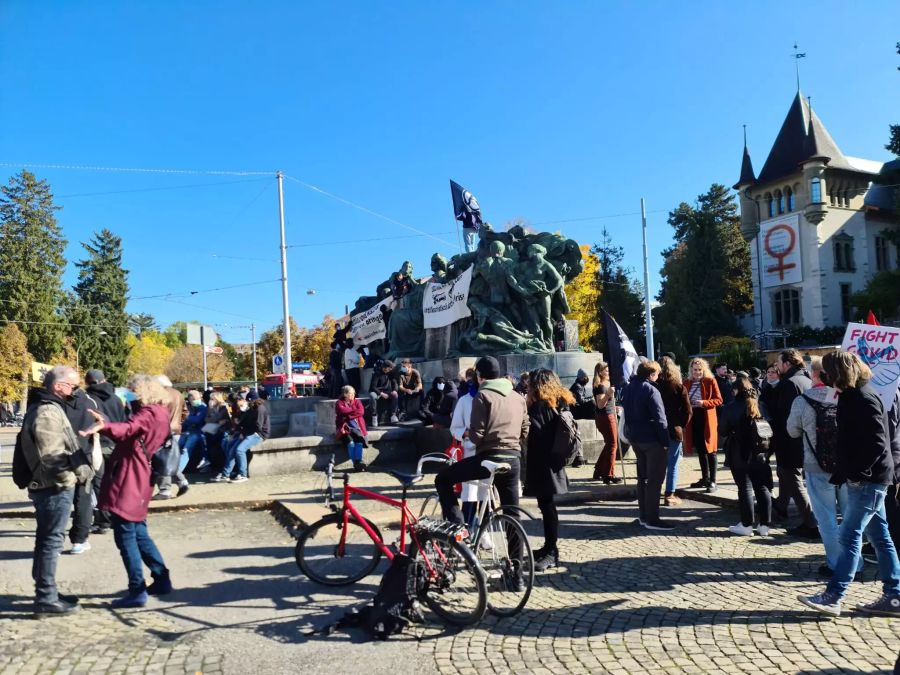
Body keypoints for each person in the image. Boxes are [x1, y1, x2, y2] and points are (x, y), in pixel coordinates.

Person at [798, 351, 900, 618]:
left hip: (868, 480)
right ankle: (894, 595)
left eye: (827, 372)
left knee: (848, 535)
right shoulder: (854, 395)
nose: (823, 377)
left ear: (838, 373)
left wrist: (857, 473)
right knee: (880, 537)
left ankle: (834, 595)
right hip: (869, 478)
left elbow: (878, 443)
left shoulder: (863, 398)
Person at [82, 374, 173, 608]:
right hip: (140, 475)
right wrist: (108, 423)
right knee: (139, 531)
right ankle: (161, 578)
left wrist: (105, 426)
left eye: (132, 390)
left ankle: (137, 589)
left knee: (126, 535)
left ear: (142, 391)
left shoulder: (148, 413)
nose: (129, 394)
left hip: (130, 476)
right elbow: (130, 428)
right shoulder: (160, 412)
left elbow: (129, 428)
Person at [19, 365, 92, 617]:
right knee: (51, 542)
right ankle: (46, 598)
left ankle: (46, 592)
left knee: (46, 541)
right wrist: (68, 479)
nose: (76, 391)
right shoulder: (47, 411)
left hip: (50, 486)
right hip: (53, 488)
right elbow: (51, 456)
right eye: (73, 386)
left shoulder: (48, 407)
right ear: (58, 386)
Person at [435, 356, 528, 536]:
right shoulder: (517, 396)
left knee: (443, 479)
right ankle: (517, 561)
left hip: (488, 458)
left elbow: (477, 435)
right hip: (514, 458)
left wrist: (471, 435)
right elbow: (525, 429)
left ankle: (458, 531)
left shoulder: (482, 395)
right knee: (512, 512)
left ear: (479, 376)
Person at [525, 369, 575, 571]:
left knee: (547, 507)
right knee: (547, 506)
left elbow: (535, 436)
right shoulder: (559, 401)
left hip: (543, 463)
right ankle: (548, 547)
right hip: (553, 461)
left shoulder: (539, 407)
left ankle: (551, 550)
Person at [720, 373, 773, 536]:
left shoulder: (730, 407)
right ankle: (764, 525)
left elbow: (722, 430)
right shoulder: (760, 405)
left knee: (745, 488)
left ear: (736, 390)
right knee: (762, 487)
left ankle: (746, 524)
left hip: (739, 452)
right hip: (760, 451)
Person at [622, 360, 672, 531]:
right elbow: (660, 419)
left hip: (635, 438)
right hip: (652, 440)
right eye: (657, 374)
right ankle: (652, 518)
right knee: (654, 480)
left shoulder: (629, 387)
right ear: (652, 374)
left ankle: (643, 516)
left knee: (642, 479)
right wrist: (665, 442)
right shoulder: (651, 389)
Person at [772, 349, 817, 538]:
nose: (776, 366)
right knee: (785, 473)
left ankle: (811, 522)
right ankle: (781, 507)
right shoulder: (806, 380)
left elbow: (785, 416)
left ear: (787, 364)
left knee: (792, 477)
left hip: (790, 439)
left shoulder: (789, 383)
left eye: (778, 363)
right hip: (802, 438)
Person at [85, 369, 127, 535]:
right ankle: (119, 516)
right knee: (117, 482)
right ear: (104, 380)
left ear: (87, 382)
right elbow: (124, 420)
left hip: (97, 444)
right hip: (116, 444)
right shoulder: (117, 398)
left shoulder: (88, 400)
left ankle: (103, 521)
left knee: (99, 483)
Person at [62, 383, 99, 555]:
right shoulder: (91, 403)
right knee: (83, 499)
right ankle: (79, 540)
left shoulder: (56, 405)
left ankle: (53, 540)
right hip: (84, 456)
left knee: (58, 498)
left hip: (60, 457)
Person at [684, 358, 723, 493]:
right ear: (691, 370)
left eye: (700, 370)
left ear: (704, 370)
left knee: (710, 450)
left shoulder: (710, 381)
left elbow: (719, 400)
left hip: (707, 418)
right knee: (700, 450)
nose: (697, 372)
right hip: (693, 419)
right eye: (694, 369)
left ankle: (713, 480)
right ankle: (704, 478)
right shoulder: (687, 382)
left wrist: (704, 402)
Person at [657, 356, 691, 506]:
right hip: (673, 428)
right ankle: (669, 494)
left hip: (656, 430)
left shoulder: (653, 385)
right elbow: (688, 411)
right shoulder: (678, 386)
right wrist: (681, 425)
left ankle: (653, 491)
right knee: (672, 464)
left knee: (656, 464)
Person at [215, 391, 269, 483]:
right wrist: (242, 413)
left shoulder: (259, 409)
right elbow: (243, 423)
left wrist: (244, 433)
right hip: (249, 432)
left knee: (239, 450)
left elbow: (258, 427)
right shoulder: (251, 409)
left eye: (248, 401)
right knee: (232, 448)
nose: (247, 402)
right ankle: (226, 474)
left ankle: (243, 474)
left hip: (259, 434)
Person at [450, 368, 481, 528]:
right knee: (470, 495)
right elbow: (455, 428)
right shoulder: (465, 400)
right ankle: (467, 529)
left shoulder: (498, 399)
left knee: (488, 498)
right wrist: (466, 433)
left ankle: (484, 531)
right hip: (472, 453)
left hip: (493, 453)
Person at [154, 375, 188, 499]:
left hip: (163, 430)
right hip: (176, 429)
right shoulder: (178, 394)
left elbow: (157, 413)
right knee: (170, 458)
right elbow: (185, 411)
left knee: (162, 459)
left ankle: (165, 489)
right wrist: (179, 422)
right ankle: (181, 481)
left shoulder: (160, 395)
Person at [591, 361, 621, 484]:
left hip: (607, 415)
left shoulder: (605, 384)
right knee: (613, 444)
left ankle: (599, 470)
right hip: (606, 417)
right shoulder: (601, 386)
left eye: (608, 370)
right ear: (600, 372)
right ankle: (608, 474)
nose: (608, 372)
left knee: (609, 443)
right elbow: (600, 404)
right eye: (605, 370)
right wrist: (608, 394)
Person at [335, 385, 368, 471]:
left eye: (353, 393)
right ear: (345, 394)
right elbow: (342, 411)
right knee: (351, 443)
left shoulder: (357, 402)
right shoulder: (339, 403)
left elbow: (361, 411)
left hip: (357, 428)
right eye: (350, 394)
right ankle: (357, 464)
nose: (353, 395)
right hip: (345, 429)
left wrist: (347, 416)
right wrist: (354, 411)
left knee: (359, 442)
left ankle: (358, 462)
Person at [179, 389, 207, 477]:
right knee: (177, 444)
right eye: (193, 399)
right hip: (189, 432)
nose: (195, 401)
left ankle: (178, 470)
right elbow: (186, 422)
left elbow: (197, 420)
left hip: (199, 433)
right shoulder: (191, 408)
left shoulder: (202, 407)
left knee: (186, 449)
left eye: (196, 399)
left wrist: (186, 417)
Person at [369, 360, 399, 425]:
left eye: (391, 368)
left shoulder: (391, 373)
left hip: (387, 391)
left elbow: (395, 383)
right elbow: (373, 387)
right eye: (389, 368)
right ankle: (374, 416)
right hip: (377, 391)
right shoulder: (377, 373)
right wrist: (381, 393)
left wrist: (395, 390)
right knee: (372, 396)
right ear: (385, 367)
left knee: (395, 395)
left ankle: (393, 415)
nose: (390, 369)